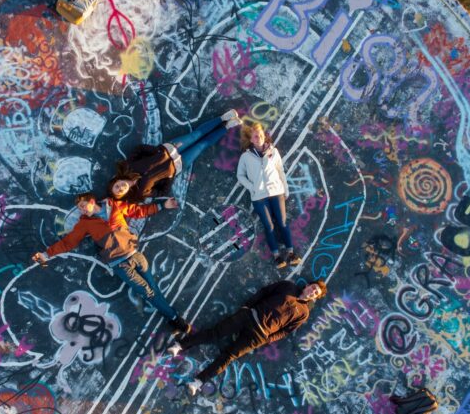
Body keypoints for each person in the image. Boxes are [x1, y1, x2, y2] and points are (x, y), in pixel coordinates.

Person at [32, 193, 190, 333]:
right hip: (119, 264)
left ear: (92, 201)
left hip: (135, 255)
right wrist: (45, 254)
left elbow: (138, 211)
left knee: (153, 288)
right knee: (147, 292)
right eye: (79, 208)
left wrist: (162, 205)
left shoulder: (115, 206)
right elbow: (68, 242)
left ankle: (173, 317)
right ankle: (176, 319)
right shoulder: (85, 223)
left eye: (83, 205)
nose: (82, 210)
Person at [168, 279, 326, 395]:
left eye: (316, 293)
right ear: (307, 285)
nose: (312, 291)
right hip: (249, 316)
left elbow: (286, 331)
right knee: (214, 333)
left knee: (228, 356)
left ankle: (198, 382)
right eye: (313, 287)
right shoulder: (288, 286)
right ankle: (179, 346)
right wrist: (246, 307)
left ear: (314, 298)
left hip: (259, 336)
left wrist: (269, 339)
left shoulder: (304, 313)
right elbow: (264, 292)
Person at [108, 109, 241, 202]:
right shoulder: (141, 192)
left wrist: (158, 151)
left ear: (116, 180)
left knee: (196, 135)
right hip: (179, 164)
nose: (120, 187)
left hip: (170, 149)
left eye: (117, 186)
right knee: (202, 145)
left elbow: (139, 149)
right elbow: (162, 192)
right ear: (124, 195)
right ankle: (227, 127)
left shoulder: (128, 166)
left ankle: (223, 118)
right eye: (119, 191)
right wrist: (170, 176)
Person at [236, 122, 300, 269]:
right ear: (251, 140)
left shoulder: (274, 151)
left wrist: (286, 189)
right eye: (255, 136)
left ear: (264, 136)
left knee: (282, 223)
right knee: (269, 226)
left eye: (260, 135)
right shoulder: (246, 157)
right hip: (259, 197)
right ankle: (277, 257)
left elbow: (280, 171)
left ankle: (291, 253)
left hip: (277, 193)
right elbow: (240, 175)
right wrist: (252, 187)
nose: (258, 138)